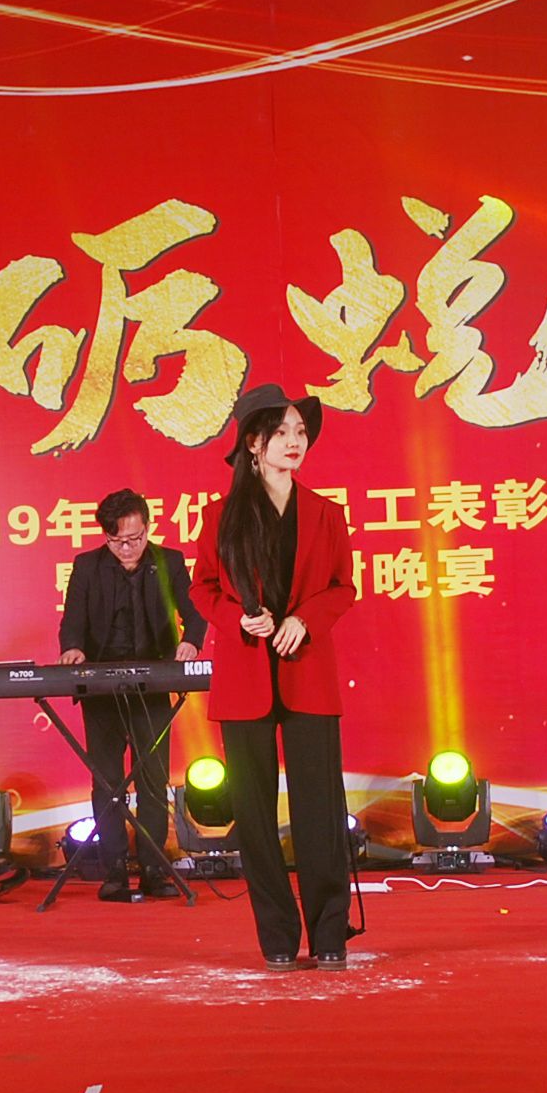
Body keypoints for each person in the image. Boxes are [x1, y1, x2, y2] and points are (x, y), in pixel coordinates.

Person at [190, 386, 359, 970]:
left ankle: (330, 934)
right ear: (253, 444)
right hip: (244, 677)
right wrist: (237, 619)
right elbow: (203, 588)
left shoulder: (326, 513)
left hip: (308, 670)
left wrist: (303, 620)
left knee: (321, 810)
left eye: (300, 432)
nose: (294, 442)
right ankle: (278, 940)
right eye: (281, 432)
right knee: (256, 819)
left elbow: (343, 587)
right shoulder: (220, 516)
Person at [58, 488, 206, 900]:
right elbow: (72, 621)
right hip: (100, 688)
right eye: (117, 541)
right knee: (107, 782)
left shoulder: (168, 562)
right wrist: (73, 648)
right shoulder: (87, 566)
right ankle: (115, 870)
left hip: (152, 685)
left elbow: (195, 613)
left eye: (135, 538)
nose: (127, 548)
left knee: (153, 780)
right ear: (105, 536)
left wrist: (191, 642)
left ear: (147, 527)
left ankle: (155, 869)